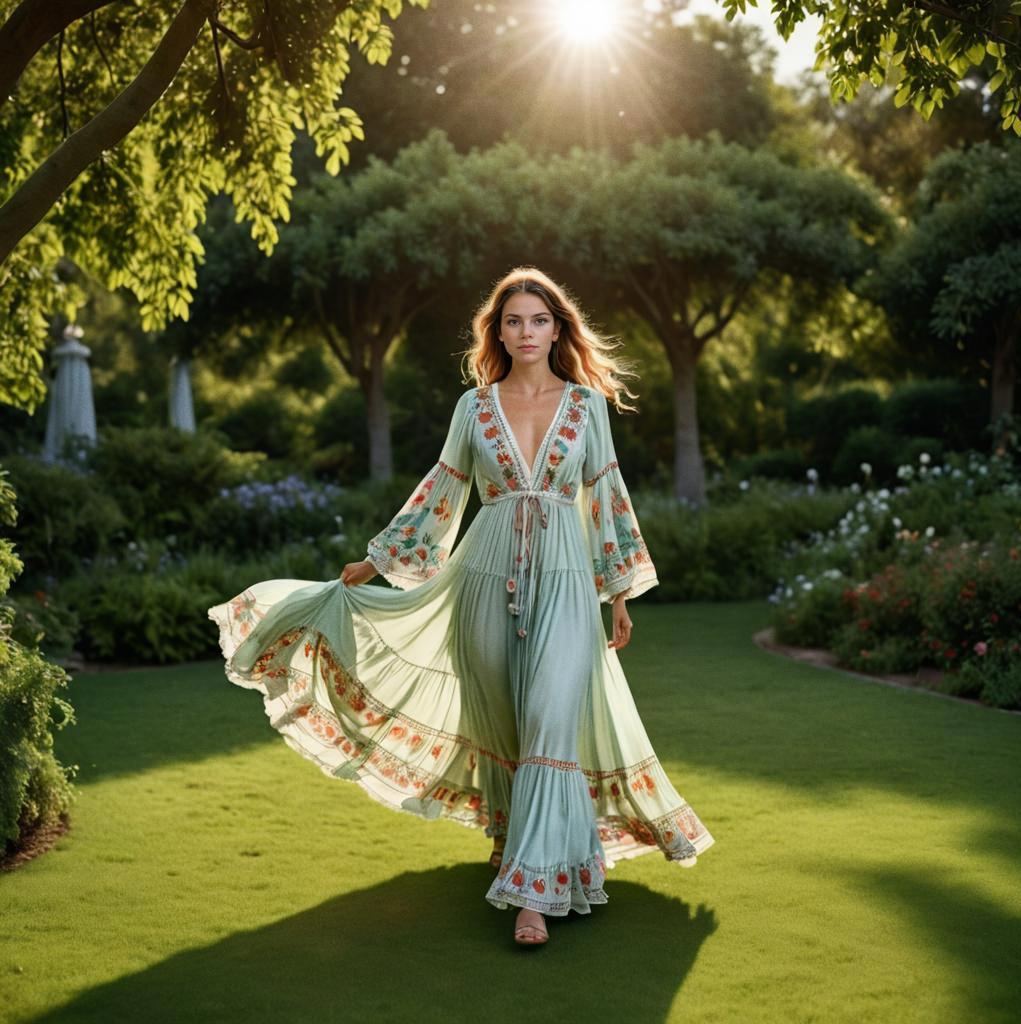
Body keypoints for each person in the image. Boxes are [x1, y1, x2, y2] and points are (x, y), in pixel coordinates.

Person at [208, 266, 714, 948]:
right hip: (483, 575)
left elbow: (607, 499)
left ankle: (534, 896)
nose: (525, 331)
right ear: (497, 331)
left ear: (557, 328)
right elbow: (442, 490)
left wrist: (617, 595)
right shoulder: (474, 408)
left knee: (548, 721)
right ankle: (522, 844)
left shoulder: (587, 406)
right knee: (505, 721)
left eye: (538, 320)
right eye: (513, 321)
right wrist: (378, 562)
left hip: (565, 580)